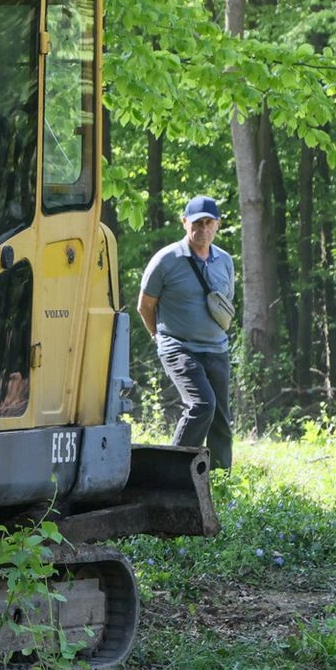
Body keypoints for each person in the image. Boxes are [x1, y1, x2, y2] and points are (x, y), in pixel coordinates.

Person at [137, 196, 236, 470]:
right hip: (178, 346)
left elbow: (224, 302)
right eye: (197, 222)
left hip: (217, 347)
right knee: (202, 405)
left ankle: (219, 481)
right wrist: (159, 338)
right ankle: (172, 475)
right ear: (184, 223)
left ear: (217, 225)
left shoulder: (225, 261)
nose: (203, 228)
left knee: (221, 417)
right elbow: (145, 306)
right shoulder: (166, 260)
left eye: (208, 222)